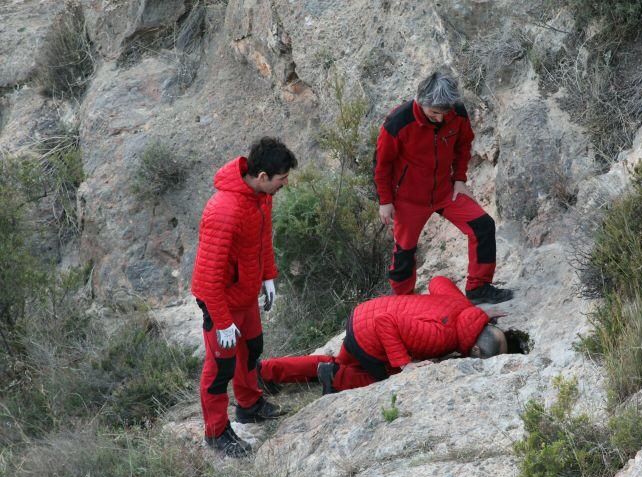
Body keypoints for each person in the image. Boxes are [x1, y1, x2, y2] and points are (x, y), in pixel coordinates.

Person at [191, 136, 297, 457]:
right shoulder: (223, 211)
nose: (284, 185)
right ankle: (216, 432)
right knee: (219, 368)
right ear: (263, 177)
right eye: (281, 180)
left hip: (245, 292)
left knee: (251, 349)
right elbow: (209, 278)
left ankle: (249, 405)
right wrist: (221, 322)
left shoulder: (260, 198)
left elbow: (263, 239)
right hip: (219, 300)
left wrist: (268, 277)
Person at [373, 70, 513, 304]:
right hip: (408, 200)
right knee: (404, 252)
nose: (440, 118)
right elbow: (381, 165)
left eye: (444, 112)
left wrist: (459, 179)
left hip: (446, 191)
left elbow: (463, 144)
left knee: (483, 226)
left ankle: (478, 288)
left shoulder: (456, 113)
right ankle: (403, 303)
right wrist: (385, 201)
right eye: (435, 112)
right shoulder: (398, 123)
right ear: (421, 101)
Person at [255, 276, 508, 394]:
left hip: (364, 316)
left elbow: (438, 282)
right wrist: (405, 366)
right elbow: (385, 323)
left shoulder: (465, 310)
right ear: (475, 351)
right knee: (384, 379)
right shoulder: (442, 336)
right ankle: (335, 378)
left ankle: (266, 371)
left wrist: (477, 312)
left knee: (338, 361)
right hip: (370, 333)